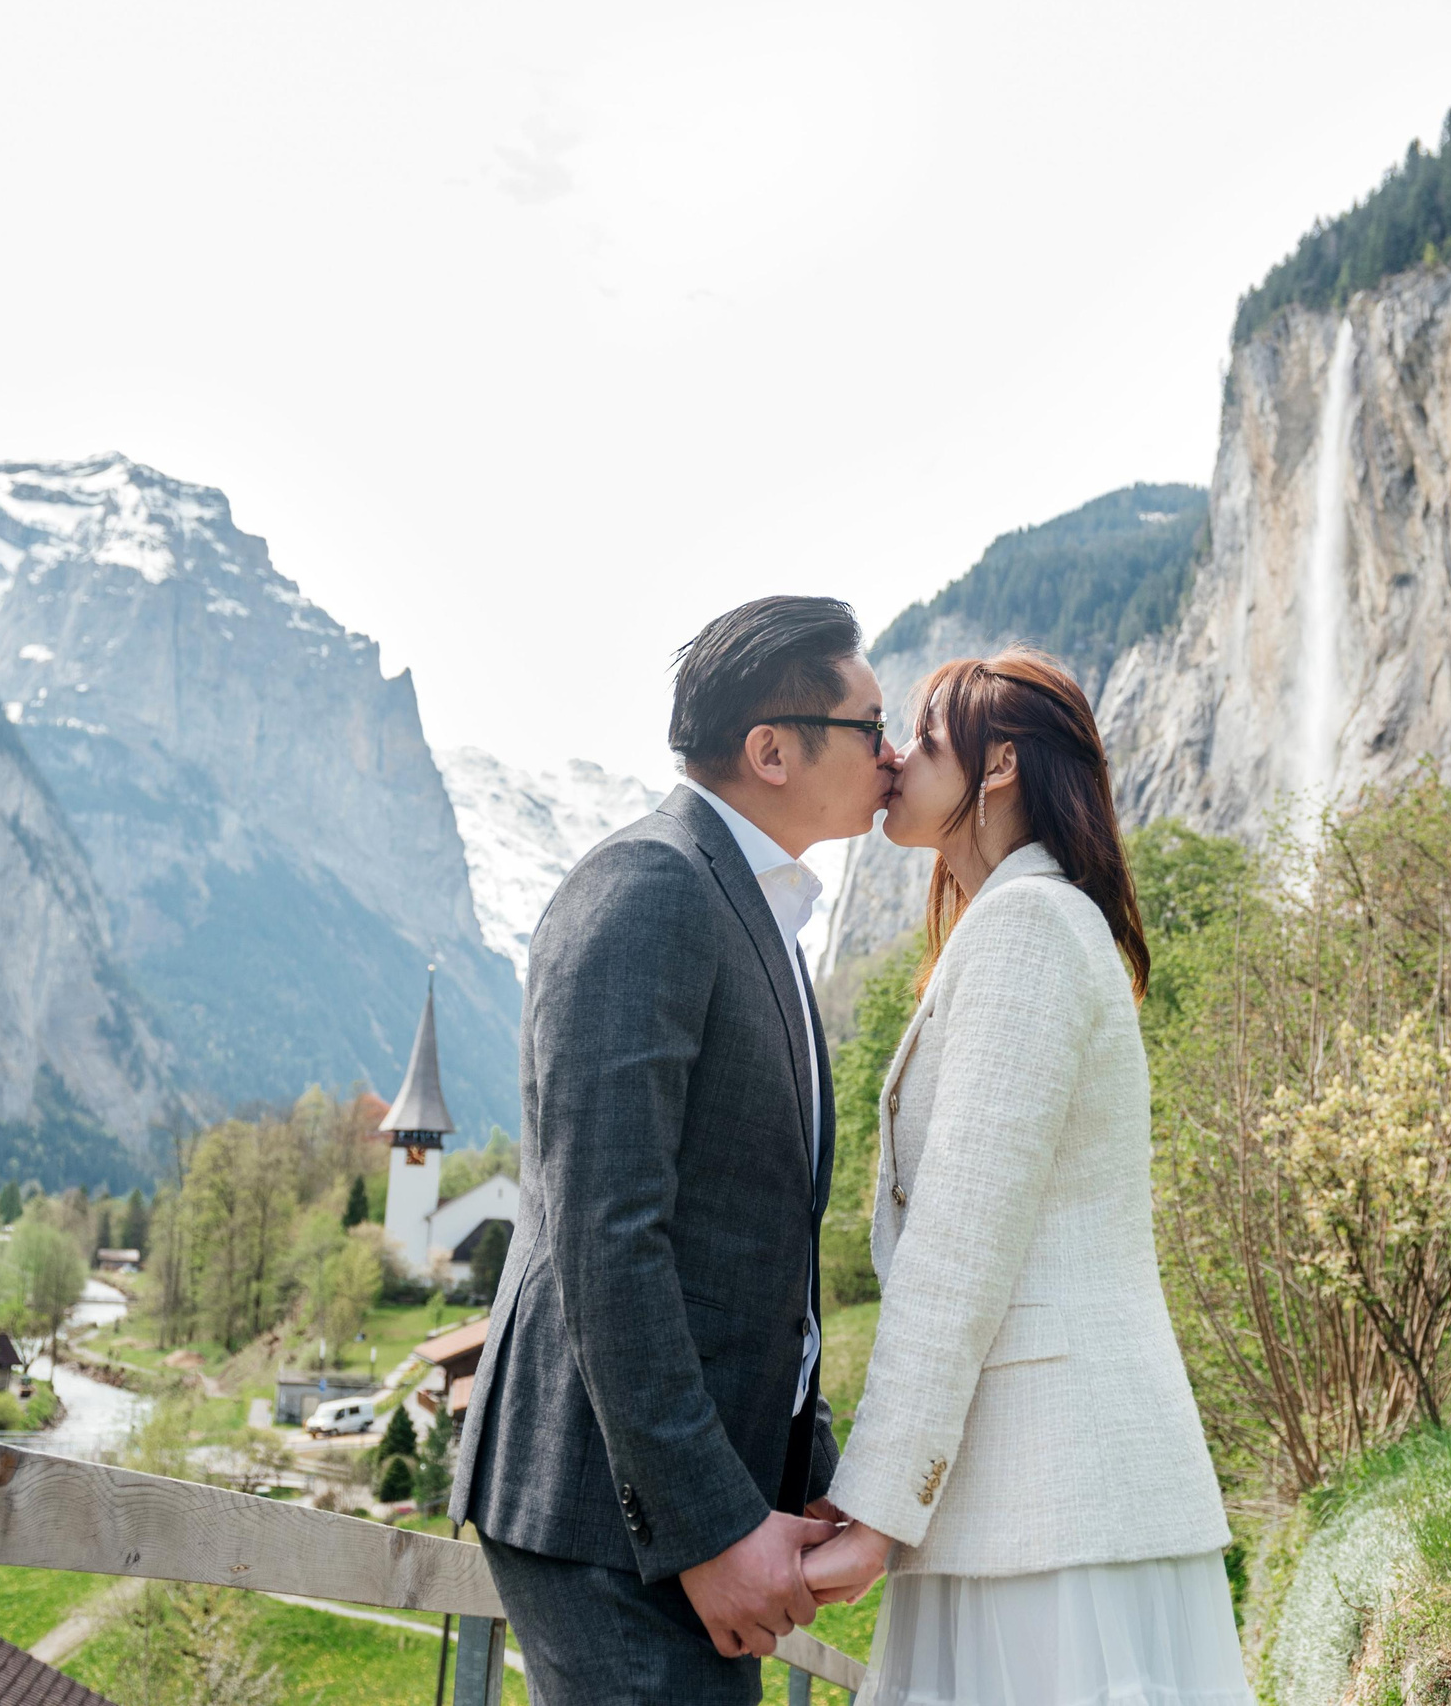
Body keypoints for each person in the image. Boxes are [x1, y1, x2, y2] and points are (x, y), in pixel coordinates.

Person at [450, 595, 899, 1704]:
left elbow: (751, 1257)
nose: (893, 754)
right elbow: (605, 1234)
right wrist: (708, 1525)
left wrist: (816, 1469)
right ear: (773, 749)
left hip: (696, 1510)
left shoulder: (754, 910)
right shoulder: (650, 888)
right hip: (616, 1517)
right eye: (871, 725)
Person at [800, 649, 1246, 1704]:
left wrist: (872, 1508)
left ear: (998, 765)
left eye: (925, 737)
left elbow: (961, 1236)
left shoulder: (1027, 925)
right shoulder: (1028, 921)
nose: (895, 757)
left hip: (1048, 1502)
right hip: (1036, 1501)